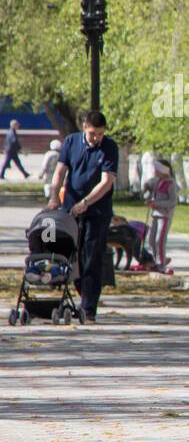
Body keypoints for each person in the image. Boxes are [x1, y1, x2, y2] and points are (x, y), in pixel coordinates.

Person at [46, 111, 119, 324]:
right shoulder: (71, 142)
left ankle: (89, 308)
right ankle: (81, 294)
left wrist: (85, 203)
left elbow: (106, 182)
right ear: (84, 127)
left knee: (92, 257)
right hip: (71, 209)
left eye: (100, 134)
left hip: (97, 212)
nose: (97, 138)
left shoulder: (109, 147)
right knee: (70, 256)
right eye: (93, 133)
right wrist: (54, 197)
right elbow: (60, 172)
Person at [142, 157, 177, 273]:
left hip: (164, 216)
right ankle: (159, 259)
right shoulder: (157, 181)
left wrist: (155, 203)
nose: (155, 172)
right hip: (155, 215)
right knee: (151, 240)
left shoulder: (171, 184)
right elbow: (148, 185)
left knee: (159, 240)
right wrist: (146, 187)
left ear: (163, 170)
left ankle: (161, 264)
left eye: (157, 169)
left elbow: (172, 202)